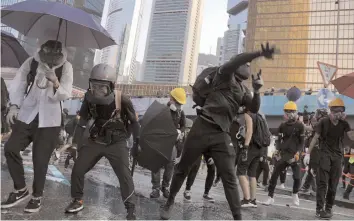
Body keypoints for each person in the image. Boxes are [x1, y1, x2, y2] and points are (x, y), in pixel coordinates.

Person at [160, 43, 276, 220]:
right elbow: (238, 59)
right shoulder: (224, 74)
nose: (247, 67)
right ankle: (169, 202)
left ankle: (238, 217)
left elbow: (253, 107)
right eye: (245, 64)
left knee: (229, 176)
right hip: (202, 127)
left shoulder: (244, 90)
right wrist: (258, 53)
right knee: (182, 168)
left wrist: (257, 91)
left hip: (221, 134)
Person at [1, 40, 73, 213]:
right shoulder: (32, 62)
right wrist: (14, 106)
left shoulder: (66, 67)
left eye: (54, 53)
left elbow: (66, 94)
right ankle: (20, 189)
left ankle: (36, 197)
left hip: (50, 120)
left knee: (40, 160)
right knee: (10, 148)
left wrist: (55, 82)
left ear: (60, 54)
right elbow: (19, 85)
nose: (50, 56)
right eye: (46, 52)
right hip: (28, 115)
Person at [64, 64, 140, 220]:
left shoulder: (122, 99)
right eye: (94, 85)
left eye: (102, 87)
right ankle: (77, 200)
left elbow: (134, 122)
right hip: (96, 140)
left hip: (117, 143)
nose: (98, 90)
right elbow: (82, 121)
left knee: (125, 176)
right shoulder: (88, 98)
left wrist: (135, 144)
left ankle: (130, 208)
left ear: (112, 86)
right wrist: (74, 145)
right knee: (78, 169)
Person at [306, 98, 354, 219]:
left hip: (337, 156)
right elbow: (315, 137)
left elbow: (351, 137)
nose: (337, 114)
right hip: (324, 154)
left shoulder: (344, 123)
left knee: (333, 185)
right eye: (335, 112)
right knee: (323, 183)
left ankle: (328, 208)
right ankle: (319, 209)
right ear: (331, 111)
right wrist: (308, 153)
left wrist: (348, 122)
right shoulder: (324, 121)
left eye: (340, 112)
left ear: (342, 112)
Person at [264, 101, 304, 206]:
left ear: (296, 112)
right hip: (283, 154)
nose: (289, 114)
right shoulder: (282, 125)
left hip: (295, 154)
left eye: (291, 111)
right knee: (274, 176)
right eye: (287, 111)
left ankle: (295, 194)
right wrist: (277, 150)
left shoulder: (300, 125)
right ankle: (270, 197)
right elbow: (278, 139)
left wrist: (298, 153)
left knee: (297, 177)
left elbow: (302, 142)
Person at [150, 88, 186, 199]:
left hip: (172, 143)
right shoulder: (163, 110)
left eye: (180, 103)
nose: (179, 105)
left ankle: (165, 187)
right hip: (161, 141)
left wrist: (181, 131)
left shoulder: (180, 113)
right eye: (177, 102)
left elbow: (183, 125)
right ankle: (155, 188)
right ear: (171, 99)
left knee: (170, 164)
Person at [236, 110, 259, 208]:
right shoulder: (259, 115)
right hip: (259, 148)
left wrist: (245, 147)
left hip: (250, 147)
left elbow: (249, 131)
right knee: (252, 174)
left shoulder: (248, 114)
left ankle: (247, 199)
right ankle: (253, 200)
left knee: (240, 171)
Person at [302, 108, 328, 193]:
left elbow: (312, 129)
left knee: (314, 169)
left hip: (317, 149)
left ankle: (316, 188)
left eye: (317, 113)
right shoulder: (326, 122)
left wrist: (301, 124)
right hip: (319, 149)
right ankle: (307, 187)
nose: (316, 115)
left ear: (320, 114)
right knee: (312, 169)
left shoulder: (321, 122)